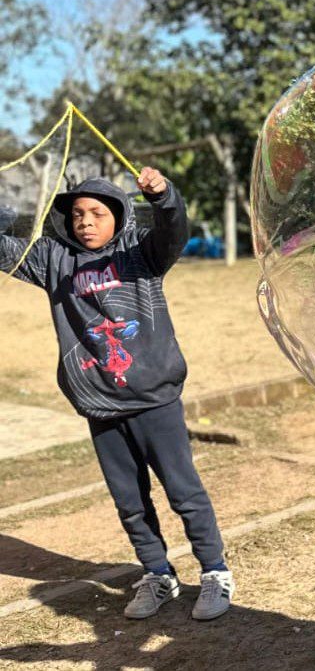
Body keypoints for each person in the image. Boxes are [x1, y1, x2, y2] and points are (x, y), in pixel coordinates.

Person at [0, 168, 235, 622]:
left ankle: (214, 572)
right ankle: (158, 574)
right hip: (99, 404)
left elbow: (174, 229)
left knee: (184, 493)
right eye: (77, 215)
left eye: (97, 213)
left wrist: (164, 196)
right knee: (129, 501)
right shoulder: (53, 261)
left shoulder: (141, 253)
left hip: (153, 400)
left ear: (120, 216)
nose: (85, 221)